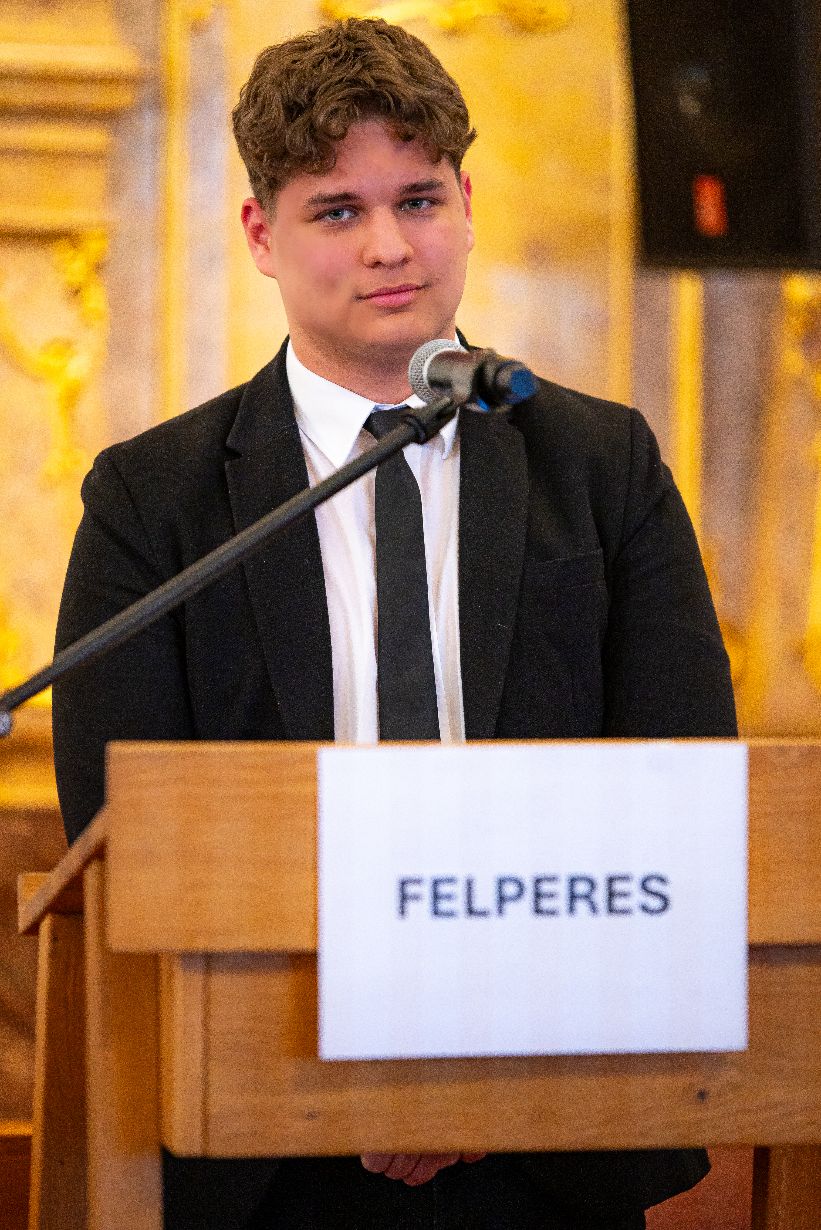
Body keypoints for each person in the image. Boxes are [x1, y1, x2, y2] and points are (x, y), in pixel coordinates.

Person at [53, 17, 736, 1230]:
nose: (387, 246)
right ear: (261, 235)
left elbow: (680, 788)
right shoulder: (154, 499)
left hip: (547, 1121)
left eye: (416, 199)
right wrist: (358, 1067)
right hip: (259, 1130)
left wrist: (475, 1064)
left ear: (464, 203)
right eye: (336, 211)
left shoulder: (602, 466)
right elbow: (125, 828)